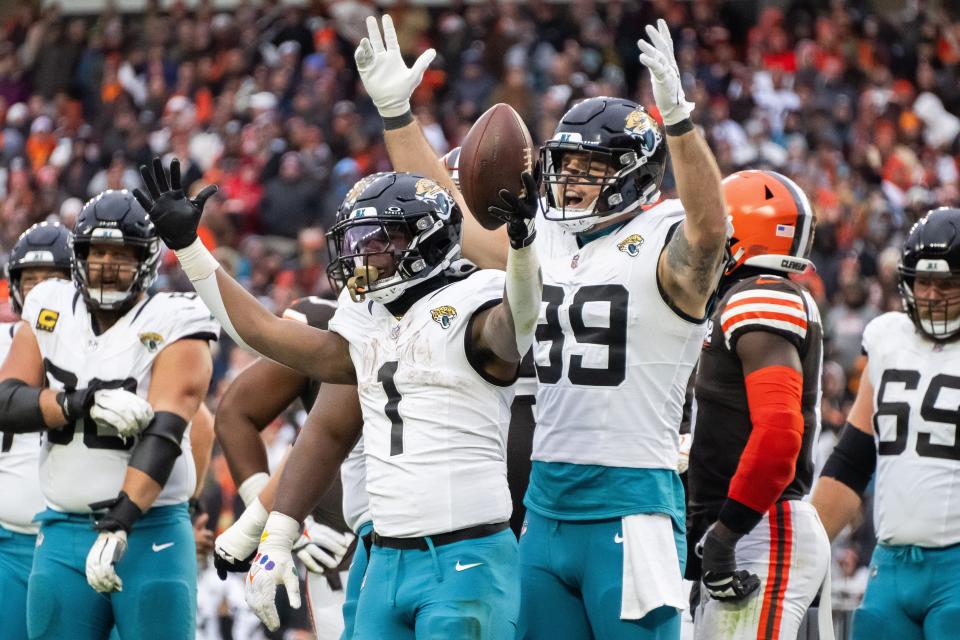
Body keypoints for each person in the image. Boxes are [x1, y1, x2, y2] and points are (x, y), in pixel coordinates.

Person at [356, 14, 728, 637]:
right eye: (566, 165)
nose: (569, 180)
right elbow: (449, 209)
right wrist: (397, 114)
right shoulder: (545, 237)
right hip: (544, 505)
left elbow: (710, 229)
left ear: (636, 172)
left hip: (631, 502)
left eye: (590, 168)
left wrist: (680, 119)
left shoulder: (664, 238)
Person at [133, 157, 542, 638]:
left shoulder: (474, 301)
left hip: (465, 554)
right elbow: (261, 335)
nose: (358, 253)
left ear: (425, 239)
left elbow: (515, 325)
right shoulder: (368, 320)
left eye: (377, 239)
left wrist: (522, 249)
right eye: (355, 239)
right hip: (384, 557)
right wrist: (188, 248)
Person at [0, 190, 218, 640]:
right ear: (78, 254)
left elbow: (167, 428)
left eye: (122, 254)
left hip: (151, 527)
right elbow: (7, 401)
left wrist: (121, 521)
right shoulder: (50, 307)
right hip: (62, 529)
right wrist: (77, 403)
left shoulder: (177, 315)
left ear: (147, 258)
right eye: (97, 251)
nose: (107, 264)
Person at [686, 170, 832, 639]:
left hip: (759, 529)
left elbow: (779, 433)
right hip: (745, 527)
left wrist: (726, 537)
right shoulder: (742, 300)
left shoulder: (761, 295)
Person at [812, 206, 960, 640]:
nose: (931, 295)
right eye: (923, 282)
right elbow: (853, 460)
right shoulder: (889, 339)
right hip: (890, 567)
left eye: (947, 284)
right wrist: (802, 547)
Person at [211, 294, 358, 639]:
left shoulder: (464, 303)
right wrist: (283, 526)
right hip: (341, 559)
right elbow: (235, 414)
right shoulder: (325, 321)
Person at [0, 221, 72, 640]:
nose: (42, 291)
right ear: (15, 287)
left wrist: (187, 507)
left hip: (86, 539)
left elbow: (200, 425)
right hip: (8, 546)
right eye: (32, 280)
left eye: (53, 279)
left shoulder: (106, 344)